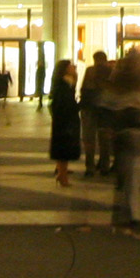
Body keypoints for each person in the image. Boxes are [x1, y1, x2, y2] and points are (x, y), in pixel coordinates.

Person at [48, 59, 81, 187]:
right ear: (65, 69)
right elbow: (64, 103)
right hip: (64, 120)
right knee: (64, 148)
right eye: (71, 66)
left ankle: (62, 172)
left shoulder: (68, 82)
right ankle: (62, 175)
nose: (74, 67)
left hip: (64, 119)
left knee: (63, 148)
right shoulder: (62, 84)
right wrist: (78, 106)